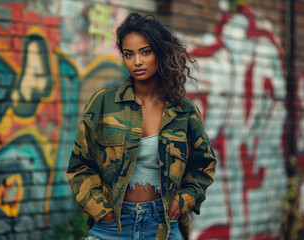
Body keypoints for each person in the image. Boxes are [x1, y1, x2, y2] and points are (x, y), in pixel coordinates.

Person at [66, 13, 217, 240]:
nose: (137, 61)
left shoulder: (184, 112)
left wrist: (183, 199)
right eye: (129, 54)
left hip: (163, 225)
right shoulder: (103, 103)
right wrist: (102, 210)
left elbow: (203, 166)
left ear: (159, 52)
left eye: (145, 52)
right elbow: (80, 167)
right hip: (113, 226)